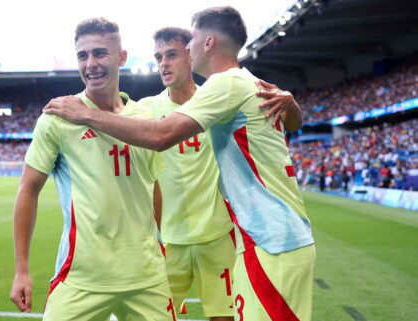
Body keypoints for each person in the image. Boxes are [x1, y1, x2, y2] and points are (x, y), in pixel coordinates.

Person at [43, 6, 315, 321]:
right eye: (159, 57)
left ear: (208, 43)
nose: (187, 48)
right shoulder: (244, 83)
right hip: (228, 238)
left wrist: (86, 113)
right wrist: (292, 104)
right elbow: (290, 123)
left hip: (268, 238)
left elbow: (161, 135)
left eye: (190, 42)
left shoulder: (223, 86)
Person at [10, 18, 176, 321]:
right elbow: (28, 190)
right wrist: (22, 270)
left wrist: (156, 241)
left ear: (122, 57)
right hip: (81, 276)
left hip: (146, 275)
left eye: (100, 53)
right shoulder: (58, 118)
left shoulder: (146, 116)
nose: (91, 64)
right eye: (82, 55)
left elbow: (153, 186)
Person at [140, 26, 304, 321]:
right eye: (158, 57)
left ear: (191, 55)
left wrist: (291, 102)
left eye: (172, 55)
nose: (163, 63)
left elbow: (288, 121)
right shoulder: (148, 109)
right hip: (167, 241)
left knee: (226, 317)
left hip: (217, 235)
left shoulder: (222, 99)